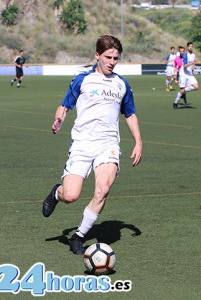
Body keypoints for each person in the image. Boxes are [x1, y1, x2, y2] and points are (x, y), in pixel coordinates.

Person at [42, 35, 143, 254]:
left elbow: (130, 114)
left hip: (108, 144)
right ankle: (56, 194)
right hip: (82, 143)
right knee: (71, 195)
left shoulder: (121, 84)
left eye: (116, 58)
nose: (112, 62)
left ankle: (78, 237)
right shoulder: (82, 80)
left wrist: (138, 142)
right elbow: (64, 106)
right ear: (97, 55)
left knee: (103, 189)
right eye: (108, 57)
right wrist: (58, 119)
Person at [173, 42, 199, 108]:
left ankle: (184, 90)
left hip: (190, 74)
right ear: (187, 47)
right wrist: (193, 62)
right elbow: (184, 66)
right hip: (183, 74)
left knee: (196, 87)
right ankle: (175, 102)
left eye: (192, 46)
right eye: (189, 46)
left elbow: (193, 64)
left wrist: (193, 68)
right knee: (181, 91)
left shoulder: (193, 55)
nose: (190, 47)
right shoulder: (185, 55)